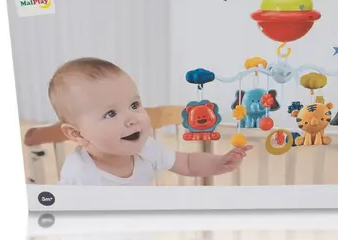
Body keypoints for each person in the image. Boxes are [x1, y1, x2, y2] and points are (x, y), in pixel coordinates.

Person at [48, 57, 251, 186]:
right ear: (77, 134)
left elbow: (187, 164)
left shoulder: (147, 149)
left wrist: (219, 163)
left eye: (134, 105)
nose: (132, 119)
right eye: (110, 114)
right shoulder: (79, 174)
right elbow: (64, 216)